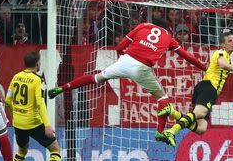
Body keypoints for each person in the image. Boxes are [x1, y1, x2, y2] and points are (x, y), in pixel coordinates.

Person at [47, 18, 206, 144]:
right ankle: (159, 132)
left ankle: (62, 88)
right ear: (167, 28)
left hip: (125, 60)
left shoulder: (142, 26)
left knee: (95, 78)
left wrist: (121, 62)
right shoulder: (169, 37)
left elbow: (119, 46)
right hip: (141, 68)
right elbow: (188, 57)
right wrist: (203, 67)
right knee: (163, 99)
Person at [160, 31, 233, 147]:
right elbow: (222, 64)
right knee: (199, 113)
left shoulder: (225, 56)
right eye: (230, 41)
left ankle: (172, 112)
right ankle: (171, 131)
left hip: (205, 88)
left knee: (201, 128)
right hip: (209, 88)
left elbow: (213, 66)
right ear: (223, 45)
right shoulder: (221, 52)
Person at [5, 51, 62, 161]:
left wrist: (14, 115)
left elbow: (7, 100)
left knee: (22, 150)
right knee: (55, 149)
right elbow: (40, 103)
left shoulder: (16, 77)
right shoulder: (37, 80)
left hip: (18, 123)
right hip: (34, 122)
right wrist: (47, 125)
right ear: (37, 64)